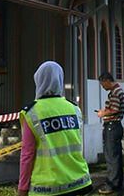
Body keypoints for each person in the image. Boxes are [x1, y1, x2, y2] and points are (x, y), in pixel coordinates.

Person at [18, 61, 92, 196]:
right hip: (79, 181)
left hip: (47, 187)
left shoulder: (32, 113)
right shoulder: (74, 109)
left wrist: (22, 188)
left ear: (38, 81)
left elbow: (27, 155)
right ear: (60, 79)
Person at [96, 72, 124, 195]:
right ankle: (117, 183)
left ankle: (111, 185)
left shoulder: (115, 92)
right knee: (116, 157)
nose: (103, 87)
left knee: (111, 157)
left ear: (107, 80)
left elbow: (114, 109)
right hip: (116, 126)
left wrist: (103, 113)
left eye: (103, 84)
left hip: (112, 127)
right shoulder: (119, 91)